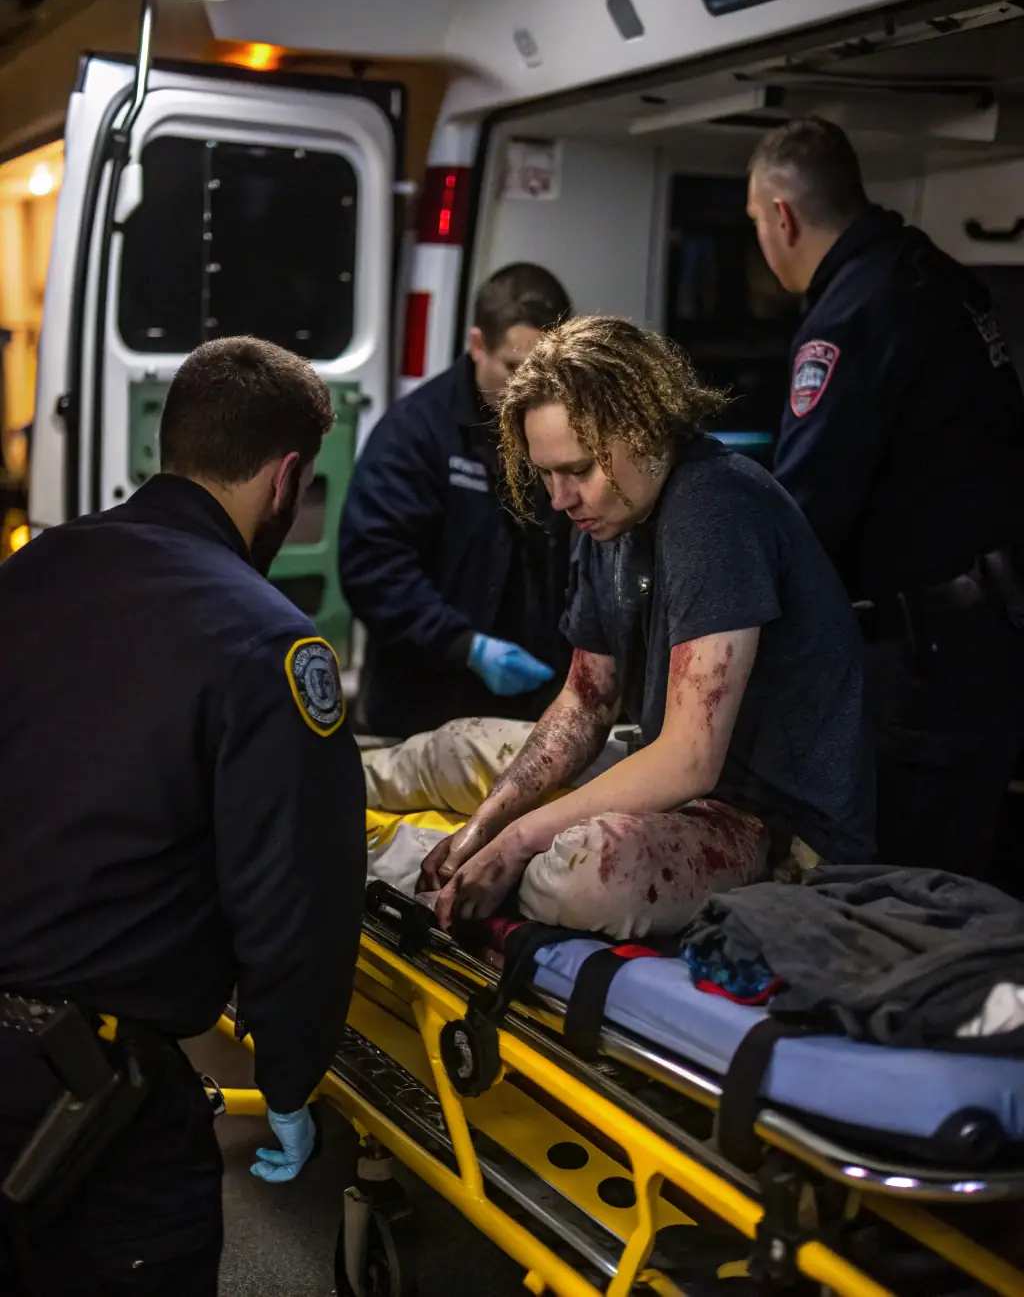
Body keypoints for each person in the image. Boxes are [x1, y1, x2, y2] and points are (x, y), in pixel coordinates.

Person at [0, 337, 366, 1295]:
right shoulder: (271, 644)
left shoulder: (30, 575)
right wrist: (288, 1076)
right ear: (288, 477)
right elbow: (296, 897)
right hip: (92, 1096)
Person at [411, 316, 874, 937]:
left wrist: (518, 841)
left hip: (777, 831)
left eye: (577, 471)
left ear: (646, 430)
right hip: (684, 792)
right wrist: (486, 825)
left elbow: (688, 760)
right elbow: (584, 702)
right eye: (547, 475)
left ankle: (418, 871)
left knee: (581, 870)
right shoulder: (610, 518)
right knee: (452, 745)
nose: (559, 498)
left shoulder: (714, 509)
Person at [746, 116, 1024, 879]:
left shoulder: (849, 319)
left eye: (754, 223)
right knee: (963, 868)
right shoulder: (932, 273)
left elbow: (801, 517)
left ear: (782, 216)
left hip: (925, 660)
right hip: (987, 636)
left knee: (902, 887)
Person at [339, 263, 576, 739]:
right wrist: (463, 646)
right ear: (476, 346)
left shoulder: (565, 432)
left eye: (546, 371)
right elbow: (373, 567)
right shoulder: (416, 434)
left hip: (537, 707)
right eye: (514, 368)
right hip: (426, 710)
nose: (530, 388)